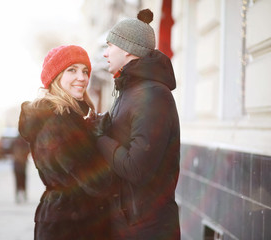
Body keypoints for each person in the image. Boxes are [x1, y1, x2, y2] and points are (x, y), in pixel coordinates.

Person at [91, 9, 181, 239]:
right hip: (129, 222)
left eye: (110, 46)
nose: (106, 54)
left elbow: (137, 168)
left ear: (128, 49)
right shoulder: (130, 90)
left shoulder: (153, 96)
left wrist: (99, 138)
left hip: (148, 228)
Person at [18, 45, 112, 240]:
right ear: (56, 76)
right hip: (71, 225)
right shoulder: (60, 121)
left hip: (63, 219)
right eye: (72, 70)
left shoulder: (68, 116)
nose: (82, 78)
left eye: (85, 71)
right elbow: (96, 180)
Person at [11, 134, 29, 203]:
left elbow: (10, 150)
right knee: (22, 179)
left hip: (18, 163)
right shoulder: (24, 141)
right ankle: (22, 194)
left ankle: (19, 194)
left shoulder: (15, 141)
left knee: (18, 179)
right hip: (21, 163)